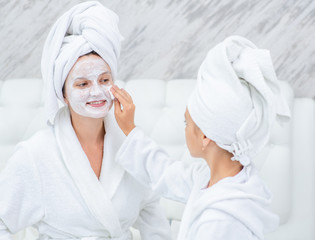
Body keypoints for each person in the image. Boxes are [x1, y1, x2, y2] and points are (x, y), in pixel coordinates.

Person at [0, 2, 171, 240]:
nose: (97, 92)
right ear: (64, 94)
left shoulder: (132, 147)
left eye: (104, 80)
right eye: (83, 84)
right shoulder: (35, 155)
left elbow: (154, 218)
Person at [110, 35, 291, 239]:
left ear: (205, 136)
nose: (185, 128)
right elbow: (167, 173)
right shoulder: (226, 177)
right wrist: (130, 130)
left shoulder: (220, 220)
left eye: (187, 123)